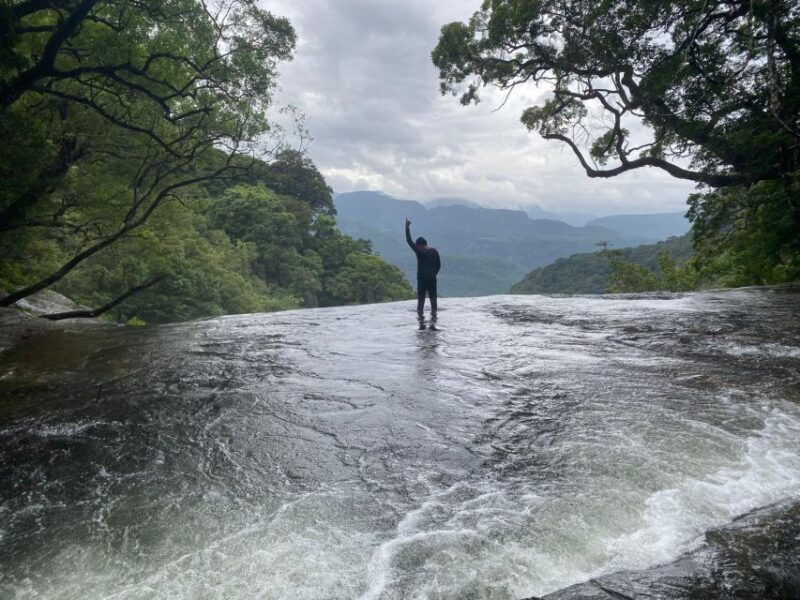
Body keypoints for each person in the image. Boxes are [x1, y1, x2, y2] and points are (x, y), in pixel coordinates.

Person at [405, 218, 441, 318]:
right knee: (433, 301)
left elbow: (409, 241)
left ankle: (420, 322)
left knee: (421, 302)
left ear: (419, 245)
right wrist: (433, 274)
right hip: (432, 279)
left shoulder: (420, 251)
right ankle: (434, 320)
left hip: (422, 280)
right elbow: (438, 265)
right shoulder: (434, 251)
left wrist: (407, 227)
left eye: (417, 246)